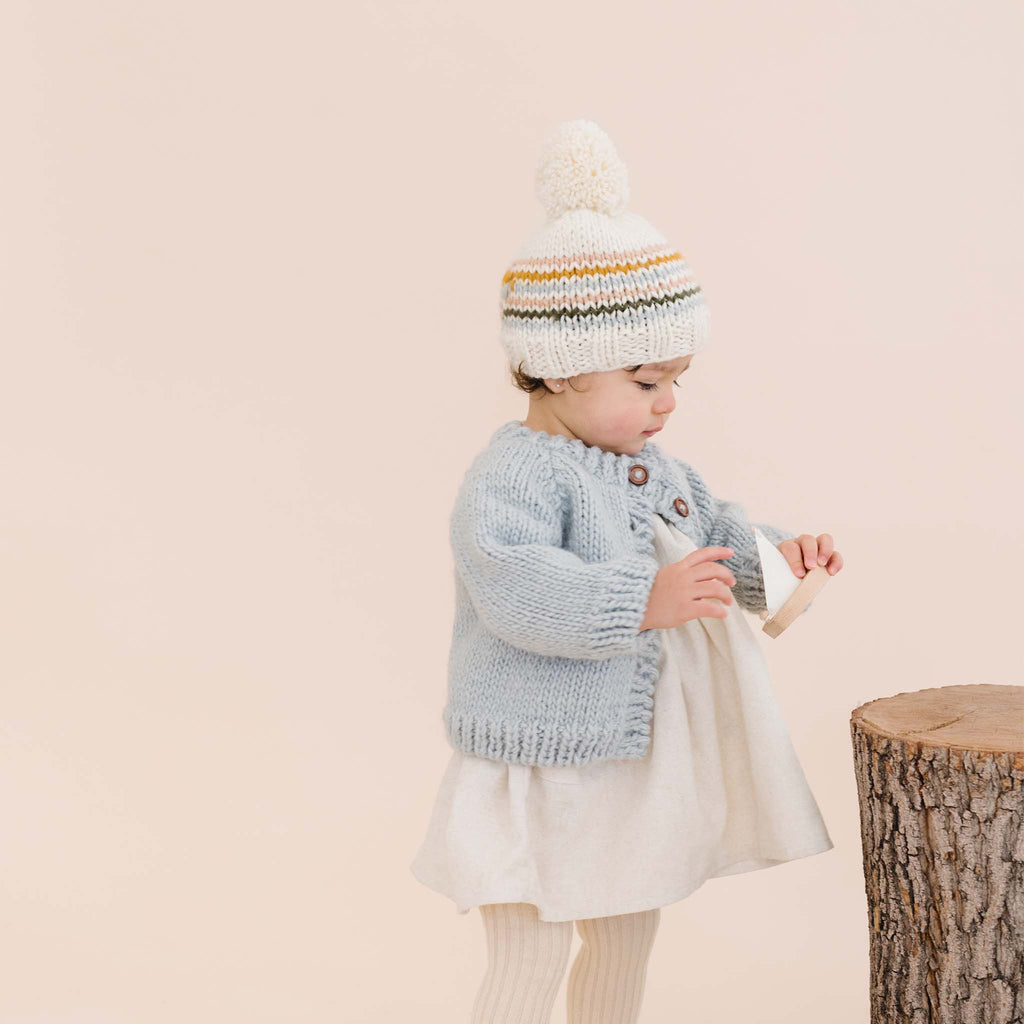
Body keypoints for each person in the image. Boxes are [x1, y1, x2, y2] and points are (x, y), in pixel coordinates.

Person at [409, 119, 844, 1024]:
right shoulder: (515, 475)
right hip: (540, 760)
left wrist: (777, 561)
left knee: (623, 943)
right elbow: (512, 582)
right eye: (647, 381)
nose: (669, 402)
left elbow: (708, 537)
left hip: (633, 766)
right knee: (530, 952)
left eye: (677, 379)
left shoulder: (658, 468)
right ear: (561, 370)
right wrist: (640, 599)